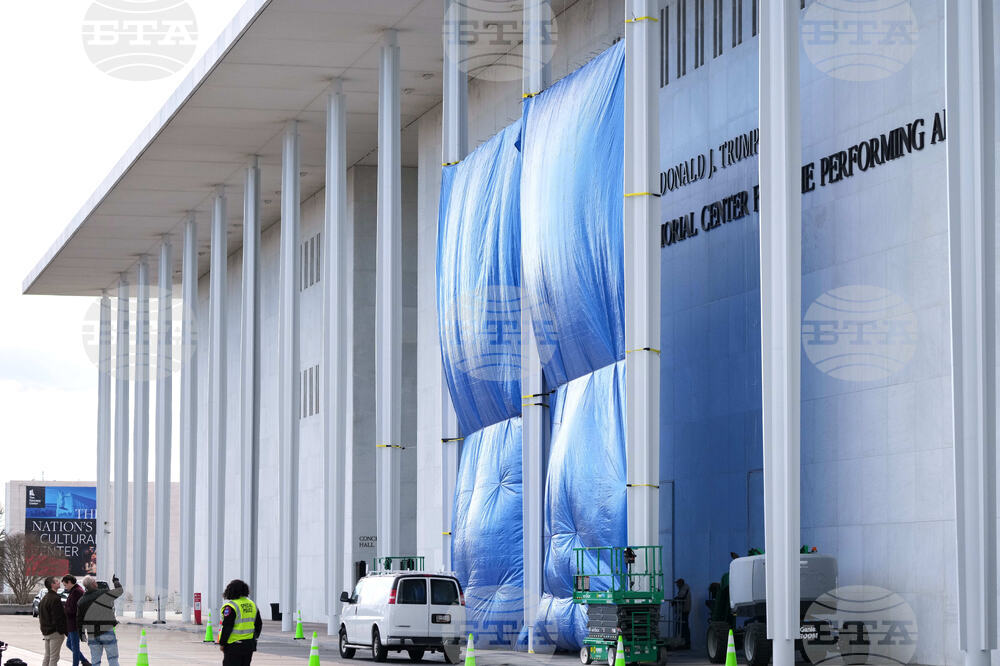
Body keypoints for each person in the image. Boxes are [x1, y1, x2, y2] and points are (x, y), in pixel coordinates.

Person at [77, 574, 124, 666]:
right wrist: (116, 581)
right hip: (107, 630)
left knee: (95, 661)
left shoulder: (81, 601)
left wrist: (81, 635)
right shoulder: (103, 594)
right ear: (94, 584)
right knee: (113, 659)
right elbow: (119, 591)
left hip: (92, 633)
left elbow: (79, 620)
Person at [218, 579, 263, 666]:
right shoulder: (252, 604)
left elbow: (227, 627)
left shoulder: (231, 606)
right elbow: (259, 624)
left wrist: (222, 643)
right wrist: (254, 638)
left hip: (234, 645)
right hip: (249, 644)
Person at [62, 574, 92, 666]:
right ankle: (84, 661)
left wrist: (65, 609)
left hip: (75, 624)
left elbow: (75, 609)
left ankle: (77, 664)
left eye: (65, 585)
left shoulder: (77, 592)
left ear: (69, 582)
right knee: (69, 644)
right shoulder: (74, 591)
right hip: (71, 624)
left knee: (75, 647)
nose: (65, 587)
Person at [38, 575, 67, 666]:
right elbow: (58, 617)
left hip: (46, 631)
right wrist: (64, 631)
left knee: (47, 656)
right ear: (52, 585)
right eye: (57, 581)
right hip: (55, 632)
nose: (59, 582)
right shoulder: (55, 599)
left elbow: (41, 616)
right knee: (54, 658)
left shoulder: (44, 599)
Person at [674, 577, 692, 650]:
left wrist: (675, 600)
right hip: (685, 610)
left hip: (684, 610)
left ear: (680, 583)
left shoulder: (684, 589)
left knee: (683, 626)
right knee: (683, 626)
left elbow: (681, 597)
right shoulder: (685, 588)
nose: (677, 585)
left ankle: (685, 643)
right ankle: (684, 642)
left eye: (677, 584)